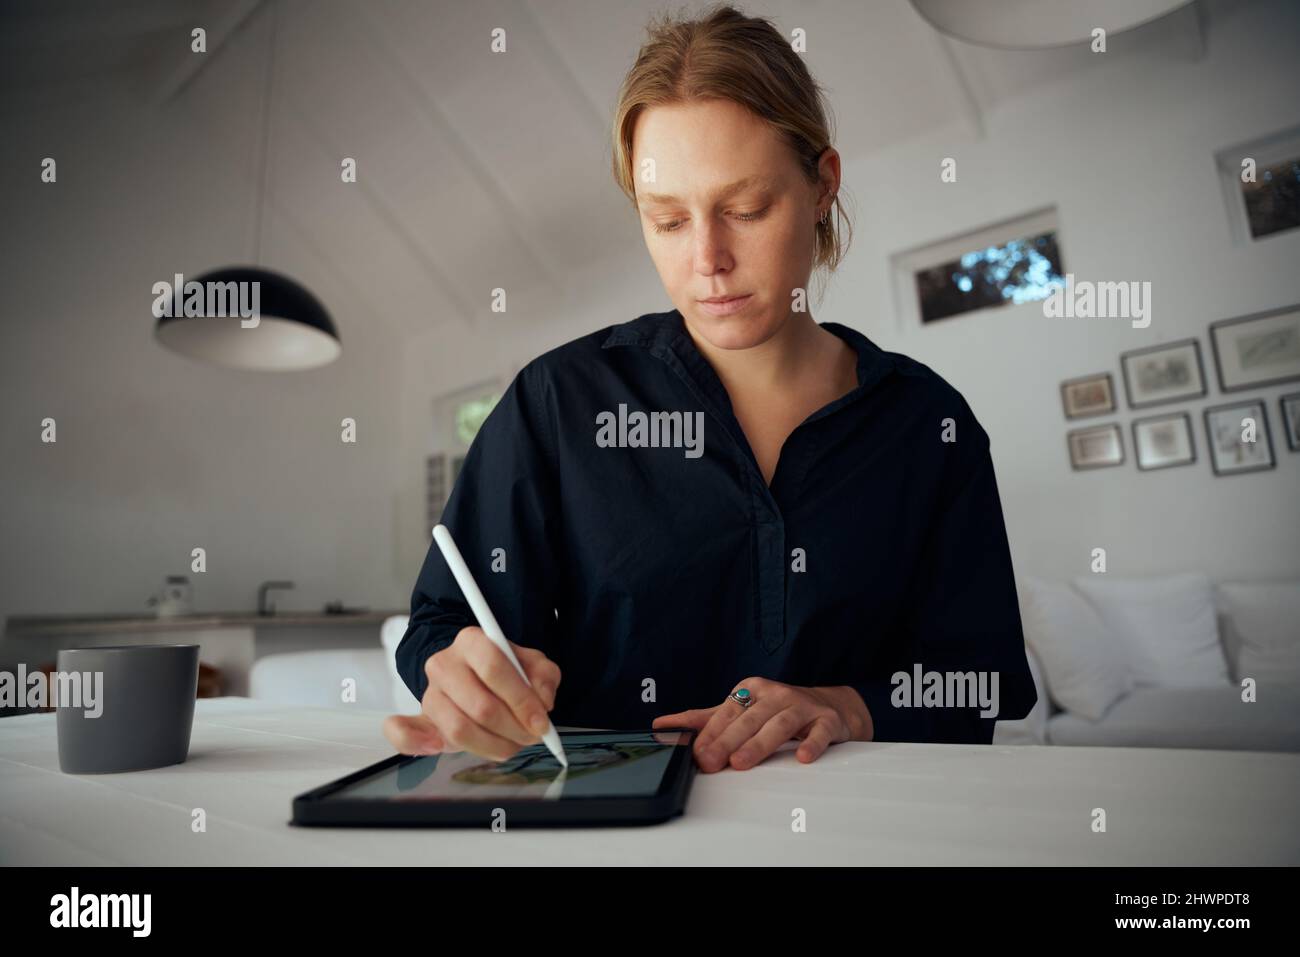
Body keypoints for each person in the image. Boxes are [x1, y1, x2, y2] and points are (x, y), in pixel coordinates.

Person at [383, 3, 1035, 774]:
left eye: (745, 209)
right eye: (666, 221)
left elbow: (982, 679)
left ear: (823, 185)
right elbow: (445, 622)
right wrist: (455, 671)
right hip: (610, 833)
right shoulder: (557, 403)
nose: (708, 259)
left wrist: (847, 705)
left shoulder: (929, 425)